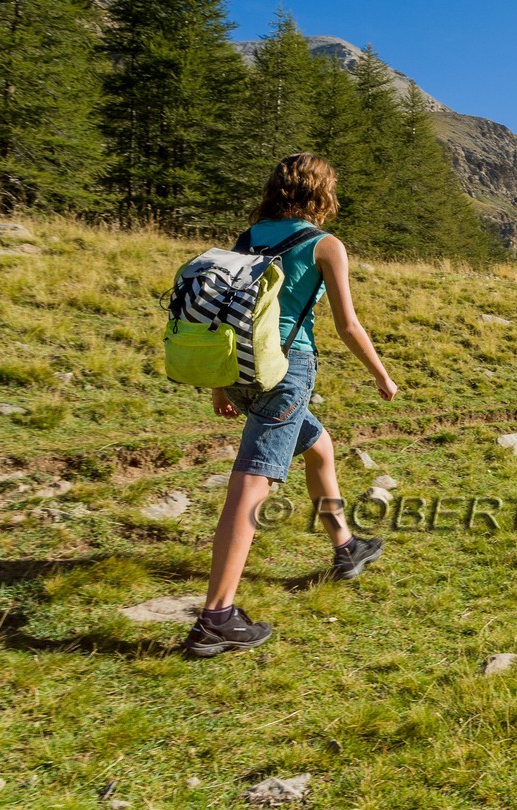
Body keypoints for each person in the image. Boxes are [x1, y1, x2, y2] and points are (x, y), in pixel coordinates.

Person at [182, 153, 398, 658]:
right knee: (254, 479)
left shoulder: (248, 238)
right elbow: (348, 325)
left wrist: (220, 383)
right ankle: (216, 616)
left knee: (319, 445)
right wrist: (382, 376)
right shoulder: (325, 245)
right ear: (322, 194)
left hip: (237, 365)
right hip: (285, 372)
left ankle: (345, 547)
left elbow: (222, 310)